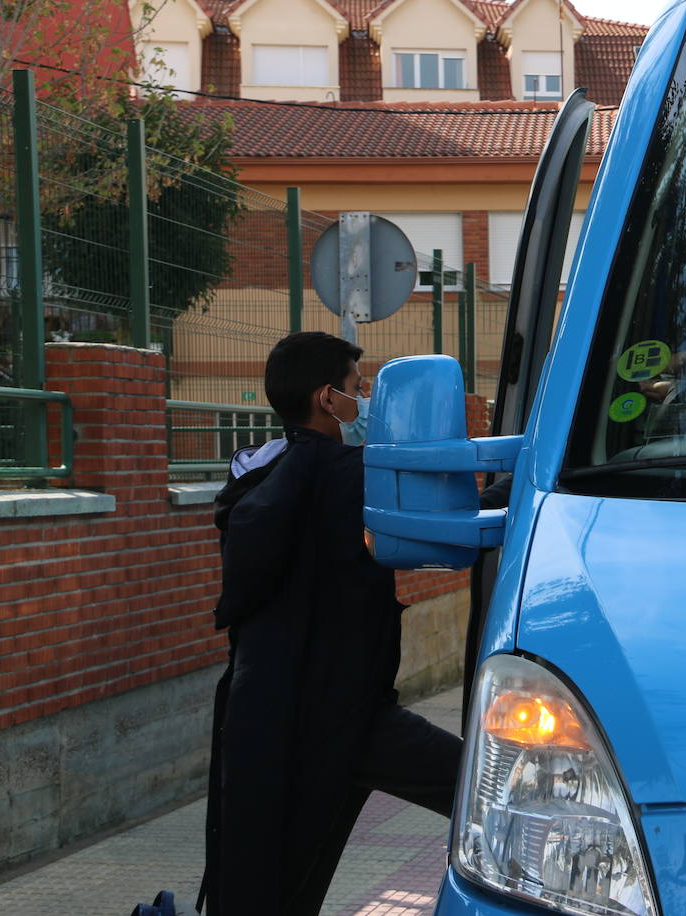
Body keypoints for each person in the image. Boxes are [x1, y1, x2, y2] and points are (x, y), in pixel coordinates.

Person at [202, 331, 463, 916]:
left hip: (267, 716)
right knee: (492, 795)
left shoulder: (262, 472)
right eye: (357, 387)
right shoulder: (351, 476)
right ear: (328, 398)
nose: (366, 399)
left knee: (271, 884)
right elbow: (448, 525)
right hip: (347, 714)